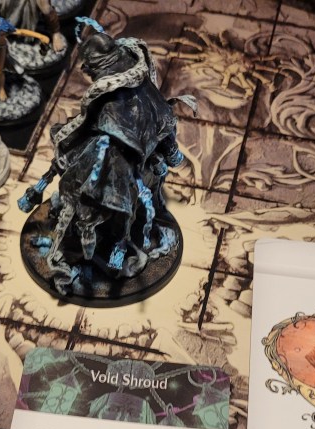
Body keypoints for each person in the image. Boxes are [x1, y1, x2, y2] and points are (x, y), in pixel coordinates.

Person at [18, 19, 190, 295]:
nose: (86, 74)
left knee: (84, 182)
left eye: (88, 68)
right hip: (141, 146)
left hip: (125, 159)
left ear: (96, 65)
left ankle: (103, 241)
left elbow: (123, 127)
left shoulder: (114, 103)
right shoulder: (134, 72)